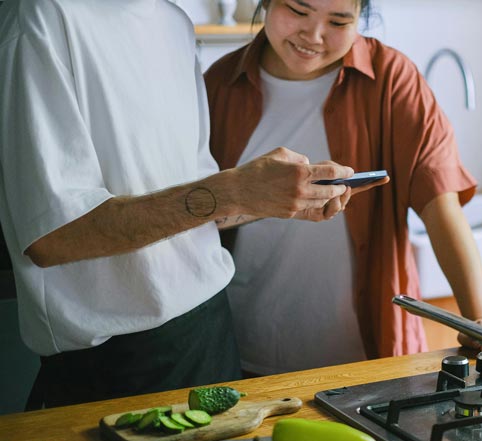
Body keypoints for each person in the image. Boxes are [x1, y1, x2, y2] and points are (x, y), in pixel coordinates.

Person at [0, 0, 368, 408]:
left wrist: (274, 199)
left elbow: (193, 206)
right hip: (113, 363)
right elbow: (52, 237)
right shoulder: (43, 16)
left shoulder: (175, 23)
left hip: (211, 331)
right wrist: (236, 190)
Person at [204, 0, 482, 375]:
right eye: (298, 11)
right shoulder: (218, 85)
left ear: (361, 20)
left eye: (339, 21)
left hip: (368, 360)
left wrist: (480, 319)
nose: (314, 35)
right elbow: (196, 216)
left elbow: (441, 206)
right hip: (241, 349)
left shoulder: (391, 79)